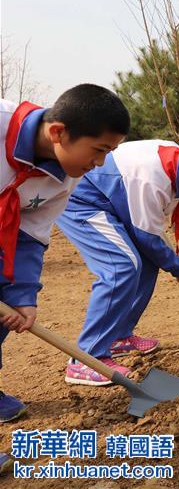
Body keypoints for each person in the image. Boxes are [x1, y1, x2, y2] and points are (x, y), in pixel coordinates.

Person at [56, 133, 179, 386]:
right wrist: (177, 267)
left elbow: (149, 233)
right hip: (83, 199)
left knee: (148, 262)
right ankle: (87, 358)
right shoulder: (153, 178)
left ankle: (118, 337)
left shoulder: (176, 163)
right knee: (121, 267)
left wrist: (168, 261)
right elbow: (146, 236)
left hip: (113, 204)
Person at [0, 86, 129, 419]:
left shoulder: (66, 178)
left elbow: (30, 234)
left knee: (6, 300)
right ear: (58, 132)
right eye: (99, 150)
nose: (100, 163)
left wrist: (23, 295)